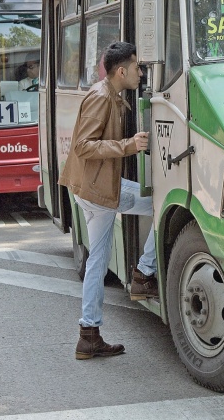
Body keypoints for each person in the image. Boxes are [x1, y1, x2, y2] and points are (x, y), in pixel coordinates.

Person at [59, 41, 157, 360]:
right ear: (121, 71)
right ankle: (140, 276)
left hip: (99, 186)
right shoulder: (102, 98)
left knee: (98, 262)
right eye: (137, 67)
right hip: (99, 192)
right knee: (159, 204)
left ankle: (90, 334)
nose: (141, 73)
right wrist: (128, 145)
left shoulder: (111, 94)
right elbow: (84, 146)